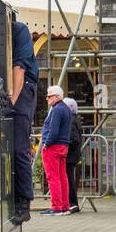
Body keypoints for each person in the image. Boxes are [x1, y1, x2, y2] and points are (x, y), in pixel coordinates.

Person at [8, 11, 39, 222]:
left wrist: (11, 101)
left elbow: (19, 69)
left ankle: (23, 202)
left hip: (23, 88)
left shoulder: (20, 30)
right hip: (7, 88)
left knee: (19, 146)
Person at [39, 84, 73, 215]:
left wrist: (46, 143)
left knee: (53, 177)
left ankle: (56, 207)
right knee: (62, 176)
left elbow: (53, 130)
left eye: (49, 96)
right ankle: (65, 206)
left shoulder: (57, 109)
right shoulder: (66, 109)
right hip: (63, 146)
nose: (47, 99)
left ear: (57, 96)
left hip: (53, 147)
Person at [64, 96, 82, 213]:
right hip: (71, 155)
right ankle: (71, 202)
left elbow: (74, 139)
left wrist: (64, 146)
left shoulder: (70, 120)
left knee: (69, 179)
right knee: (69, 178)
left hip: (70, 155)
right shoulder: (73, 119)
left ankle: (72, 203)